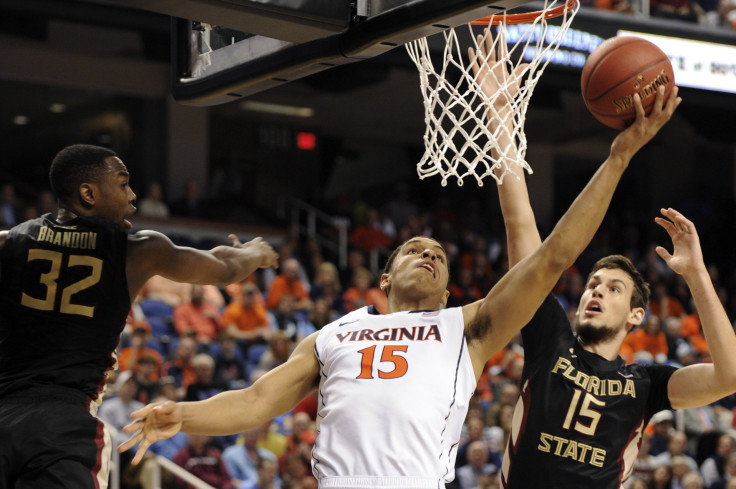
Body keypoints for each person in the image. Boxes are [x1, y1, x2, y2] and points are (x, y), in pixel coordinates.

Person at [119, 34, 681, 488]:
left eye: (438, 255)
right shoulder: (335, 334)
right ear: (384, 276)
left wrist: (618, 156)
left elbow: (554, 254)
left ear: (447, 290)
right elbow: (258, 400)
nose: (428, 254)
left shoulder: (468, 327)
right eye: (414, 249)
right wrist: (185, 415)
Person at [485, 50, 736, 489]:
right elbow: (519, 222)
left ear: (636, 316)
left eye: (614, 289)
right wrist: (501, 118)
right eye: (594, 284)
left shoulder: (645, 383)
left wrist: (696, 275)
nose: (596, 291)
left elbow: (729, 376)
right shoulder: (550, 338)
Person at [0, 143, 279, 489]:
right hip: (64, 425)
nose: (132, 196)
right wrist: (254, 253)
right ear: (88, 193)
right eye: (122, 184)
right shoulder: (138, 251)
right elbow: (224, 268)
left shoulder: (9, 242)